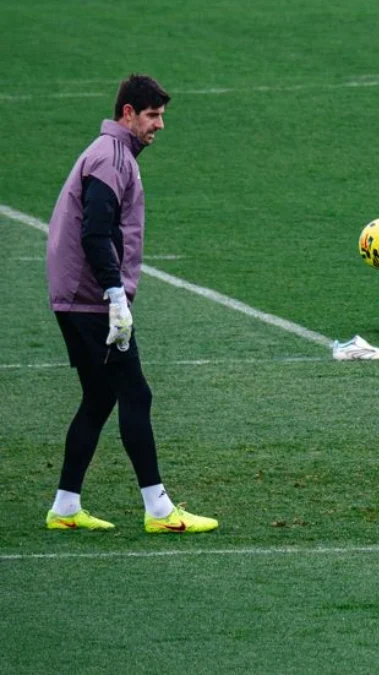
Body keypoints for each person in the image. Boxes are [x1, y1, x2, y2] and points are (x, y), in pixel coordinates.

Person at [43, 74, 218, 533]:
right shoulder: (111, 157)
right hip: (91, 299)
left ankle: (65, 506)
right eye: (152, 116)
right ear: (128, 113)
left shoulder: (111, 154)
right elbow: (95, 232)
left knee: (101, 395)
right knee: (135, 393)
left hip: (75, 295)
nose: (159, 125)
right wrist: (115, 296)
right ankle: (159, 510)